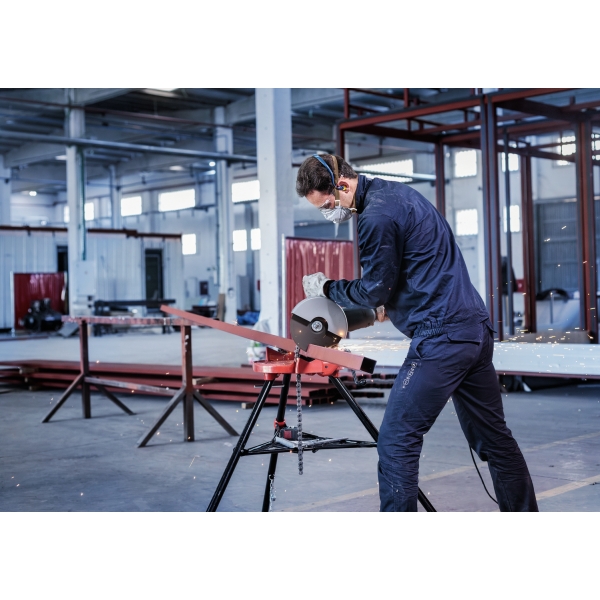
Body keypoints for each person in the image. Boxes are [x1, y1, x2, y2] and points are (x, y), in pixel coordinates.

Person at [295, 153, 538, 512]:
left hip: (441, 339)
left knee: (396, 442)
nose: (329, 213)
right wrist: (386, 307)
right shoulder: (400, 195)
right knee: (495, 440)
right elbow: (415, 268)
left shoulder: (375, 216)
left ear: (342, 184)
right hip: (473, 330)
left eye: (328, 204)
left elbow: (374, 289)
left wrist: (328, 288)